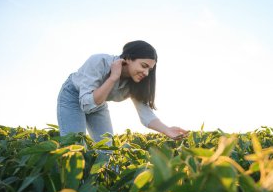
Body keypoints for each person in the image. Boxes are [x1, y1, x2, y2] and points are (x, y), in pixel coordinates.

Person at [57, 40, 188, 143]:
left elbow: (146, 115)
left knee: (107, 149)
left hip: (99, 103)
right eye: (144, 66)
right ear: (129, 58)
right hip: (73, 96)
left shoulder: (136, 82)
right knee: (74, 146)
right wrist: (113, 77)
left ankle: (98, 177)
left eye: (150, 69)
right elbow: (87, 103)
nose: (146, 73)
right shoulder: (99, 61)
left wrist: (167, 130)